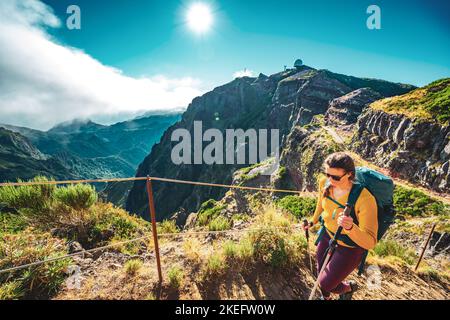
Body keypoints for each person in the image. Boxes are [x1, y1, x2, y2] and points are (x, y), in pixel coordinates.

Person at [307, 152, 378, 300]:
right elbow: (321, 204)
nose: (330, 180)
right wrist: (312, 222)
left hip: (350, 247)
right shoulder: (324, 183)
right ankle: (326, 297)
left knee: (325, 283)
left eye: (336, 177)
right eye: (327, 175)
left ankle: (348, 288)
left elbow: (370, 242)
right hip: (327, 236)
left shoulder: (365, 199)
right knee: (321, 276)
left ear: (349, 174)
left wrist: (351, 228)